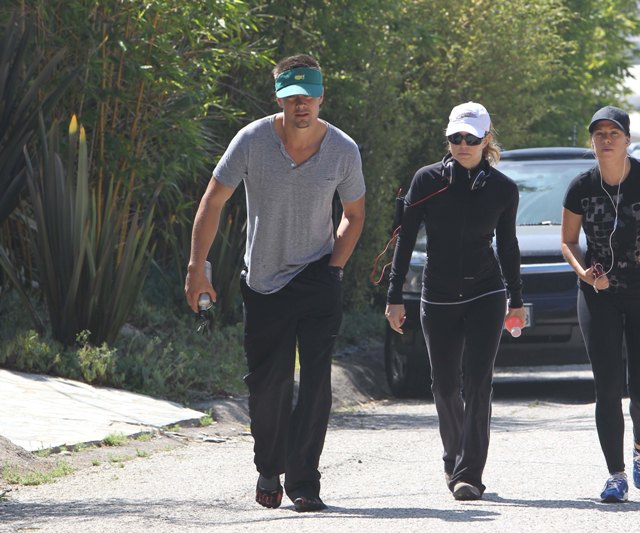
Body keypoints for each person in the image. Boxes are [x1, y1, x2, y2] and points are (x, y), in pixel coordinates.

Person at [184, 54, 365, 512]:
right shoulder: (252, 140)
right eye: (292, 97)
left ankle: (304, 481)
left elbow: (354, 214)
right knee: (269, 385)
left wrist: (334, 268)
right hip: (264, 282)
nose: (301, 105)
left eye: (309, 96)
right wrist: (196, 267)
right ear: (279, 98)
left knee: (317, 384)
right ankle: (269, 465)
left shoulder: (343, 149)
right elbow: (213, 201)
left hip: (318, 275)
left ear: (321, 97)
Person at [385, 101, 525, 501]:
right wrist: (395, 296)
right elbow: (404, 241)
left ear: (486, 140)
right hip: (439, 294)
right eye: (455, 138)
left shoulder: (502, 189)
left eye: (471, 138)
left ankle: (469, 475)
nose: (463, 144)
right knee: (445, 386)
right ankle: (454, 458)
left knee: (479, 384)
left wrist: (516, 298)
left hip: (486, 293)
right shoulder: (426, 181)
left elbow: (508, 246)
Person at [560, 106, 640, 503]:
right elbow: (568, 241)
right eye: (599, 133)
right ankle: (615, 475)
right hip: (599, 294)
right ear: (592, 141)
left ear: (627, 140)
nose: (605, 139)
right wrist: (585, 273)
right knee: (607, 388)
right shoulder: (581, 187)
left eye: (613, 133)